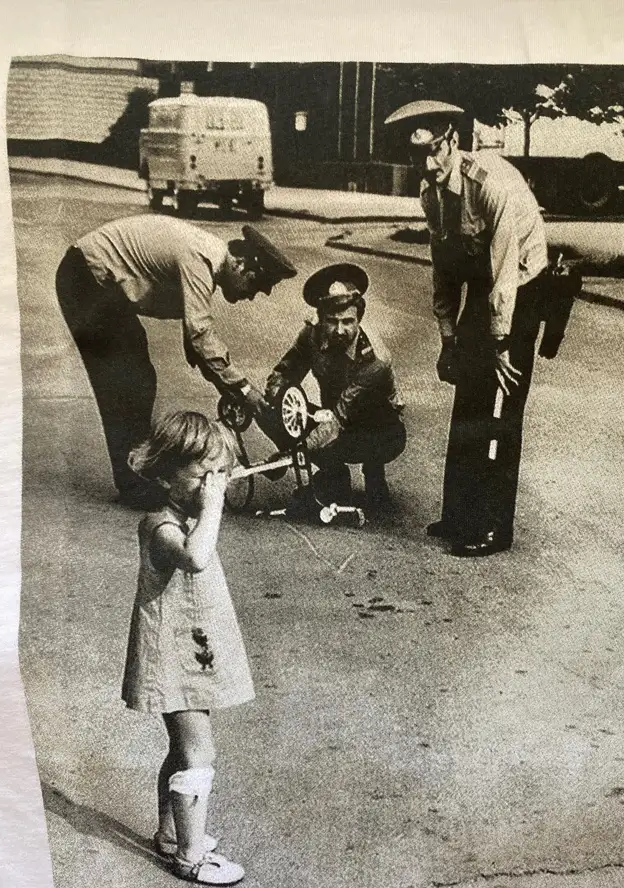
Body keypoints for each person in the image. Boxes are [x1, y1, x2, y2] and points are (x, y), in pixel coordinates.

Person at [384, 100, 549, 557]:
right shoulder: (430, 193)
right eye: (417, 155)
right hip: (485, 286)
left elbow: (504, 271)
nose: (427, 163)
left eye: (434, 150)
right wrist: (448, 338)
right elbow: (445, 268)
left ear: (453, 141)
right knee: (467, 399)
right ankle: (459, 514)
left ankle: (494, 526)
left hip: (522, 284)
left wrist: (500, 344)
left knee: (497, 407)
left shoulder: (489, 184)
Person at [55, 214, 297, 508]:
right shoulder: (200, 259)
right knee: (122, 381)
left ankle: (138, 472)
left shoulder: (208, 259)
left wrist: (234, 391)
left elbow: (199, 347)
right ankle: (134, 483)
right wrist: (245, 390)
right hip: (85, 281)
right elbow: (199, 334)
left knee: (139, 378)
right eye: (253, 287)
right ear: (241, 265)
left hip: (100, 286)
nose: (250, 297)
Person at [122, 410, 253, 886]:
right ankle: (191, 857)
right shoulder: (161, 527)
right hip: (170, 661)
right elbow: (196, 558)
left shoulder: (188, 515)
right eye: (201, 475)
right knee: (199, 753)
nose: (212, 484)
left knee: (181, 749)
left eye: (220, 474)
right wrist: (215, 505)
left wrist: (209, 495)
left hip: (189, 653)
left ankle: (169, 834)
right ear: (164, 474)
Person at [263, 263, 406, 510]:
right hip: (333, 415)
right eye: (331, 321)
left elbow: (339, 418)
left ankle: (374, 473)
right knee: (273, 404)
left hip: (377, 427)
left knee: (373, 421)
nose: (340, 330)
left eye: (348, 321)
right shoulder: (310, 337)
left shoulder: (375, 359)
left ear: (359, 319)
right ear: (320, 320)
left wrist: (296, 452)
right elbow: (282, 375)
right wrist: (276, 409)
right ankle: (335, 476)